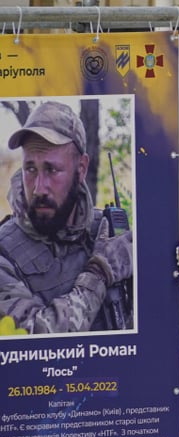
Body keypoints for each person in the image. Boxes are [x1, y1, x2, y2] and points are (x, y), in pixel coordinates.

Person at [0, 100, 133, 334]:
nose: (39, 188)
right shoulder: (4, 252)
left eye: (52, 170)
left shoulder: (109, 235)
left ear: (81, 169)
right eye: (30, 169)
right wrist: (99, 273)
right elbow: (36, 340)